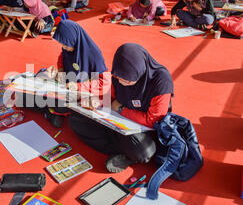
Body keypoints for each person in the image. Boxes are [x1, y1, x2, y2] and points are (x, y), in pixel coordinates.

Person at [69, 43, 174, 173]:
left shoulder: (161, 81)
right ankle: (124, 154)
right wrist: (97, 101)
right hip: (119, 123)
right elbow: (111, 98)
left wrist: (121, 110)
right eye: (119, 78)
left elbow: (154, 120)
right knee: (75, 119)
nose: (121, 82)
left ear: (139, 70)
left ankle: (129, 154)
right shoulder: (118, 76)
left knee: (144, 150)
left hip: (144, 131)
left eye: (128, 80)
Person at [21, 20, 109, 128]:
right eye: (62, 44)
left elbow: (104, 82)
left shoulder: (94, 55)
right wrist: (61, 72)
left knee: (61, 104)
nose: (63, 47)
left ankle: (51, 112)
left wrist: (78, 86)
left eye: (65, 44)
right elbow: (61, 60)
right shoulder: (67, 49)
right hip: (65, 86)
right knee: (31, 91)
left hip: (81, 92)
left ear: (74, 39)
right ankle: (51, 113)